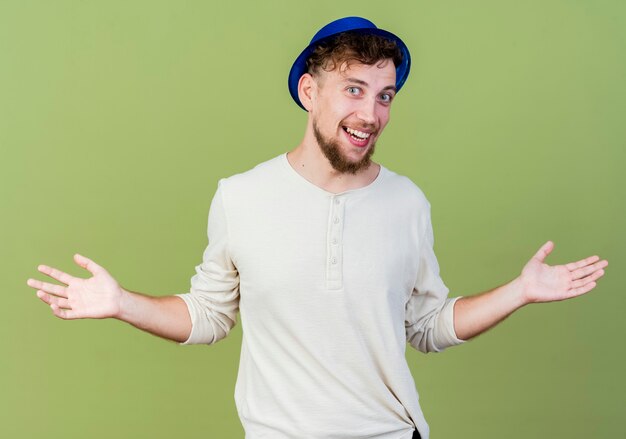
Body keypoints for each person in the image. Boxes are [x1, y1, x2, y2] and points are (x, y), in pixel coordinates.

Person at [26, 17, 607, 439]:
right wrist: (121, 301)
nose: (372, 114)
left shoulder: (407, 203)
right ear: (310, 91)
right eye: (354, 90)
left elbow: (426, 326)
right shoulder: (241, 196)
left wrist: (521, 290)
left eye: (385, 96)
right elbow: (210, 315)